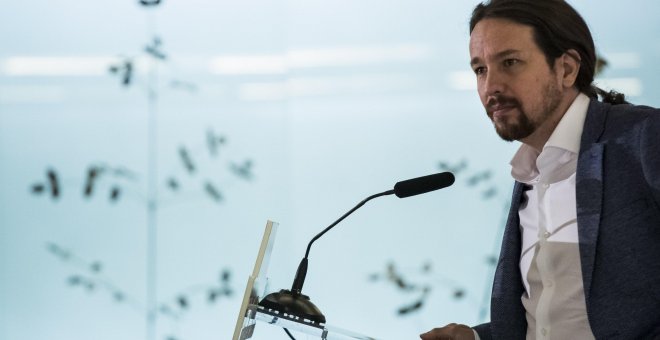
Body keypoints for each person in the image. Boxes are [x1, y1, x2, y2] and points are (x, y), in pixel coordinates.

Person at [420, 0, 660, 339]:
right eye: (480, 70)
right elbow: (554, 320)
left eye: (510, 62)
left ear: (566, 69)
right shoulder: (528, 178)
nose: (491, 87)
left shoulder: (643, 136)